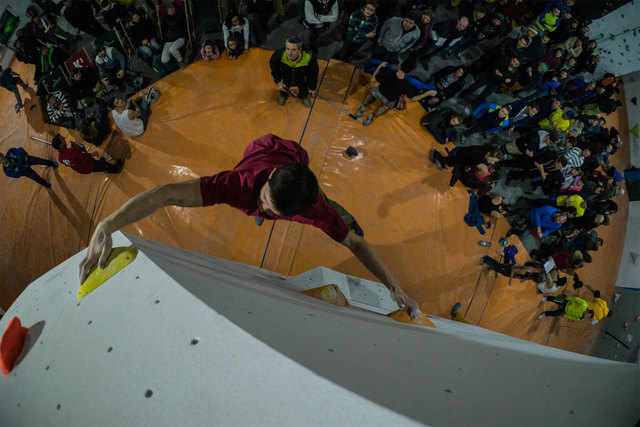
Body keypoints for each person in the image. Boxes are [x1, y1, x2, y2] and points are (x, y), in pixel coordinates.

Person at [77, 134, 421, 319]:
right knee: (263, 189)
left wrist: (393, 286)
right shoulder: (237, 184)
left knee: (340, 219)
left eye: (271, 210)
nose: (263, 206)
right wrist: (107, 224)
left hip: (295, 160)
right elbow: (165, 194)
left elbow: (356, 243)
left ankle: (294, 185)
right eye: (264, 201)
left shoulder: (316, 208)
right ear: (269, 177)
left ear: (300, 212)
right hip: (268, 146)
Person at [354, 59, 435, 126]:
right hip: (389, 100)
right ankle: (373, 116)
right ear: (410, 72)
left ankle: (363, 107)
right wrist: (427, 93)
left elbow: (372, 80)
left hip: (379, 91)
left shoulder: (388, 73)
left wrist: (379, 66)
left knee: (372, 94)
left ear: (400, 65)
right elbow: (413, 99)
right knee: (386, 107)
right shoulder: (406, 86)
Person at [269, 36, 319, 107]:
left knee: (304, 90)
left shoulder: (309, 58)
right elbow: (273, 68)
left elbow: (313, 73)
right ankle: (283, 95)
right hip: (286, 78)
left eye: (293, 50)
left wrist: (312, 87)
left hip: (302, 80)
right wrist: (279, 82)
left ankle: (304, 97)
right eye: (288, 49)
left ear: (299, 49)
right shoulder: (278, 56)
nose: (289, 53)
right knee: (283, 88)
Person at [51, 133, 123, 174]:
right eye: (62, 138)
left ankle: (103, 165)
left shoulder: (60, 158)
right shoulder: (72, 151)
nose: (64, 137)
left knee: (98, 166)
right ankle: (115, 169)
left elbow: (68, 164)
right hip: (88, 165)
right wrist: (93, 154)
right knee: (103, 165)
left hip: (81, 168)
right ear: (60, 144)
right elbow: (84, 157)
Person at [161, 1, 187, 68]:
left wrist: (180, 33)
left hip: (179, 37)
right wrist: (166, 37)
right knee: (164, 60)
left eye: (172, 10)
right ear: (167, 11)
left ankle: (180, 61)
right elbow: (163, 31)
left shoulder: (180, 15)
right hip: (169, 39)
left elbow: (185, 27)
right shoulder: (164, 19)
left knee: (172, 49)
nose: (171, 12)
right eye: (169, 11)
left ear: (175, 9)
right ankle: (174, 55)